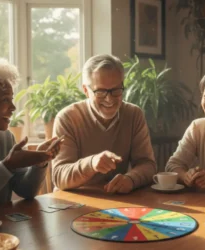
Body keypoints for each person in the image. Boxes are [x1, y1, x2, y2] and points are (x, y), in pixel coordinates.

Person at [52, 54, 156, 193]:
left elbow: (148, 166)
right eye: (100, 91)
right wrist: (91, 164)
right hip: (72, 203)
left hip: (116, 200)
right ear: (86, 91)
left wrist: (131, 179)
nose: (109, 99)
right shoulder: (67, 118)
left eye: (116, 90)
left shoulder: (133, 114)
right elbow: (59, 177)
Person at [0, 54, 62, 204]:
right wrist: (7, 165)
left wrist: (40, 162)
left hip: (3, 226)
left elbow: (26, 191)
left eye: (12, 99)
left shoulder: (5, 138)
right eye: (5, 99)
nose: (13, 107)